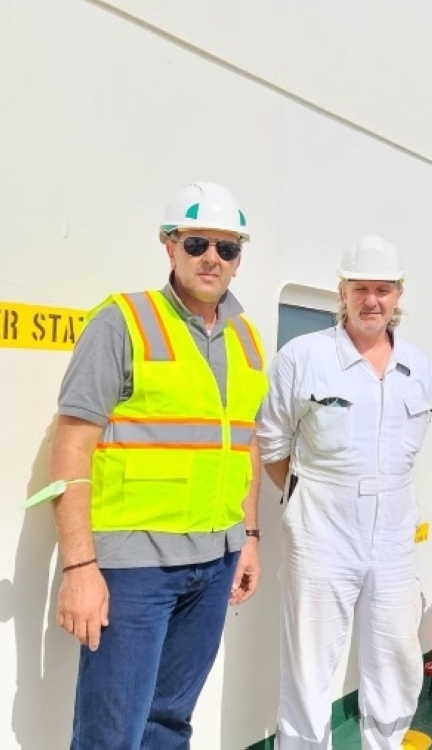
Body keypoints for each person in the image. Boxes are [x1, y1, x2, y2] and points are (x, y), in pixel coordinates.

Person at [45, 181, 267, 748]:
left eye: (227, 248)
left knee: (170, 724)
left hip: (214, 563)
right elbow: (70, 447)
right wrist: (78, 570)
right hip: (133, 569)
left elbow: (243, 446)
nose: (212, 259)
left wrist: (248, 537)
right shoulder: (122, 323)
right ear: (169, 246)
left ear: (239, 259)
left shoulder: (247, 338)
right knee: (111, 732)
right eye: (197, 244)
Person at [258, 236, 432, 750]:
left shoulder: (418, 366)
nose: (371, 300)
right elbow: (272, 446)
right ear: (342, 290)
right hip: (321, 528)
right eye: (361, 288)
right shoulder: (303, 357)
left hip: (395, 531)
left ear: (399, 294)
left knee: (396, 659)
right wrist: (310, 501)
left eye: (383, 289)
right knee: (310, 664)